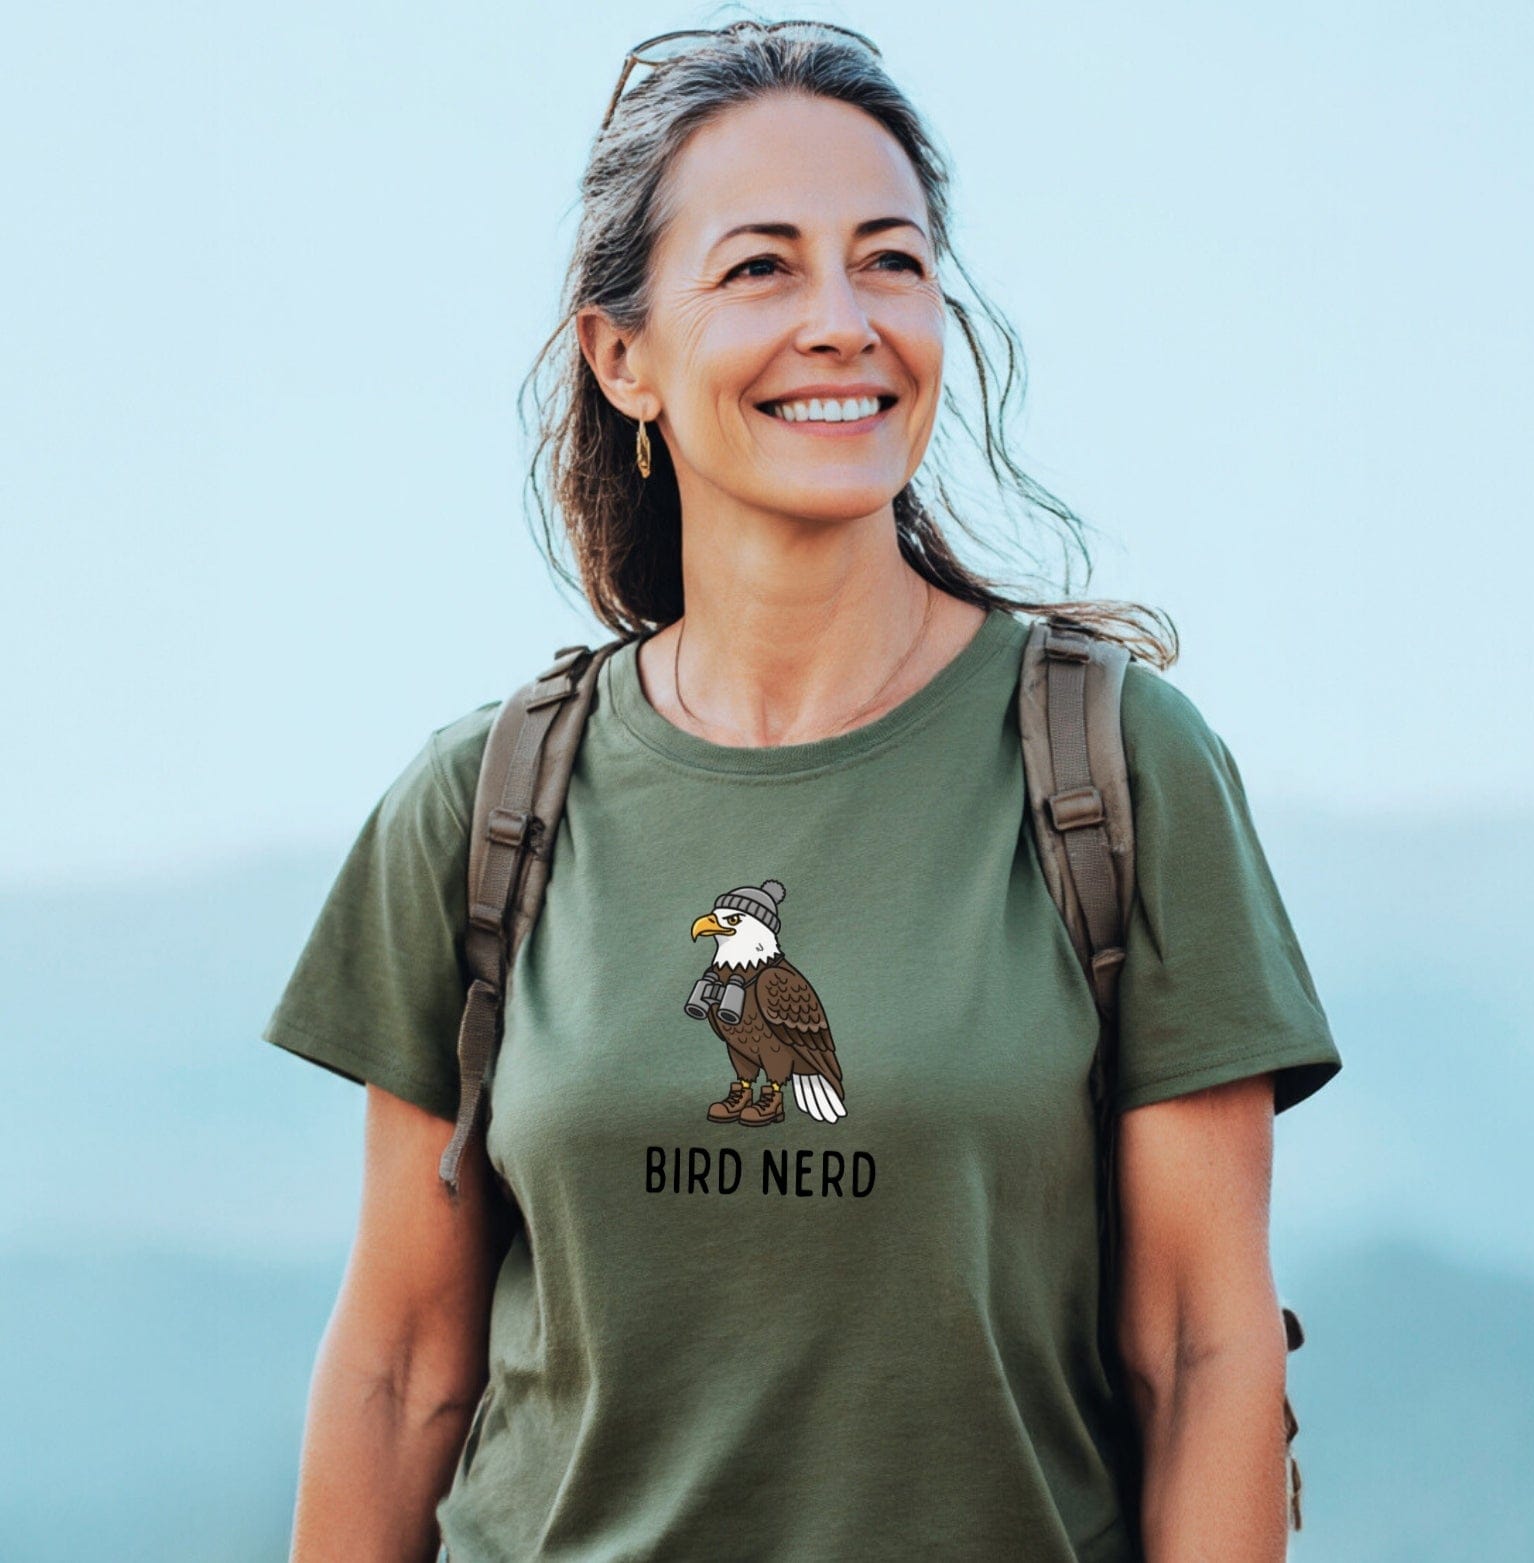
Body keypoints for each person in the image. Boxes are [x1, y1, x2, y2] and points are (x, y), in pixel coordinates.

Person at [261, 19, 1342, 1562]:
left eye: (890, 262)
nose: (842, 321)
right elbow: (400, 1370)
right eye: (762, 268)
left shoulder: (1118, 771)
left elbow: (1203, 1352)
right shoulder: (485, 806)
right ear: (619, 356)